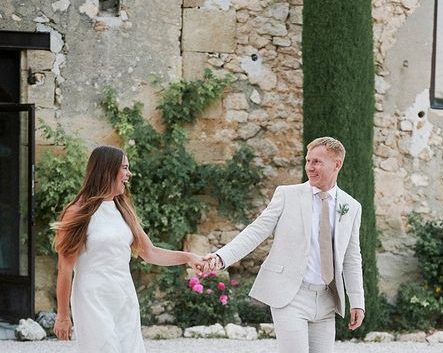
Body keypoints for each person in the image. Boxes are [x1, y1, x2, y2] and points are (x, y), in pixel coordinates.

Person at [207, 136, 365, 353]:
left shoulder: (352, 206)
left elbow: (351, 257)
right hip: (291, 295)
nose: (309, 167)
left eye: (317, 162)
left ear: (337, 164)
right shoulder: (287, 195)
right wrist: (221, 257)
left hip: (327, 299)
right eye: (308, 161)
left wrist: (357, 301)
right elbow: (256, 231)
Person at [52, 145, 206, 352]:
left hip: (124, 295)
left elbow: (150, 252)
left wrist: (189, 256)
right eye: (125, 168)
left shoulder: (123, 209)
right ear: (108, 169)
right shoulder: (77, 212)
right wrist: (63, 315)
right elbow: (65, 268)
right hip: (92, 299)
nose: (129, 174)